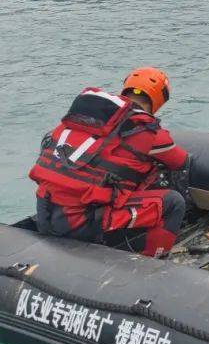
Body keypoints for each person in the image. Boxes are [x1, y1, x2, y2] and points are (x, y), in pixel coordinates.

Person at [29, 67, 189, 258]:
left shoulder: (80, 120)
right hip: (80, 223)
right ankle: (155, 261)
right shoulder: (148, 131)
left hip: (45, 213)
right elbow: (180, 162)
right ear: (159, 100)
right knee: (174, 203)